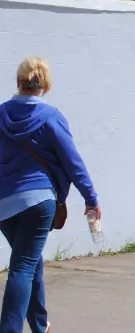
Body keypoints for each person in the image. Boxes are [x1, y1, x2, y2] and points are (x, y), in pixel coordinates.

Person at [0, 57, 100, 333]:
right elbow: (73, 162)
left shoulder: (0, 114)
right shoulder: (50, 117)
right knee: (22, 265)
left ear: (18, 82)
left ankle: (40, 324)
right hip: (38, 201)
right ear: (44, 85)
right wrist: (90, 198)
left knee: (30, 260)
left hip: (4, 205)